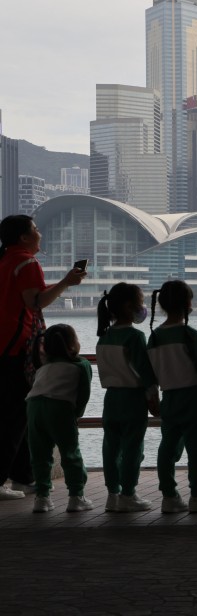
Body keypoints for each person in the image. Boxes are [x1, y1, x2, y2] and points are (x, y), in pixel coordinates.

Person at [0, 215, 85, 501]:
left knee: (19, 414)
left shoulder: (5, 260)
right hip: (18, 348)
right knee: (14, 418)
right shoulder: (26, 262)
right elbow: (35, 301)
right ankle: (5, 480)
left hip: (4, 346)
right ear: (24, 237)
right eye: (35, 229)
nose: (39, 233)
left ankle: (24, 477)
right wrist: (67, 282)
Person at [147, 280, 197, 514]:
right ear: (187, 303)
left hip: (168, 399)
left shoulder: (155, 336)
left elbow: (150, 375)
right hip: (194, 398)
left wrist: (152, 399)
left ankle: (169, 496)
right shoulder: (190, 334)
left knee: (167, 449)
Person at [95, 282, 159, 513]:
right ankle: (128, 494)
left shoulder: (104, 337)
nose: (143, 308)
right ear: (129, 306)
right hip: (132, 400)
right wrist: (153, 397)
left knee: (110, 449)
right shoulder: (135, 336)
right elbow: (145, 371)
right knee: (133, 448)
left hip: (110, 399)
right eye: (141, 303)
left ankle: (112, 494)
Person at [25, 324, 92, 513]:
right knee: (70, 453)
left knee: (39, 455)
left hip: (33, 407)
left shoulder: (43, 368)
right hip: (59, 408)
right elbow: (83, 395)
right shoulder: (81, 364)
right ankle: (76, 497)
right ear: (73, 344)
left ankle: (42, 498)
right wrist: (76, 414)